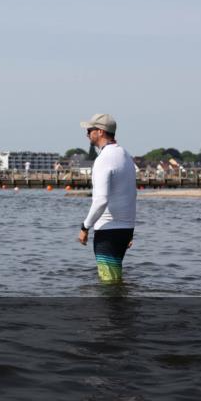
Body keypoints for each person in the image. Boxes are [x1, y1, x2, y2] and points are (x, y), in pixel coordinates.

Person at [77, 114, 137, 284]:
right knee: (116, 281)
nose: (87, 134)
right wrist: (130, 230)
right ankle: (123, 311)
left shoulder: (104, 159)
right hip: (125, 229)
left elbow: (101, 200)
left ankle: (111, 311)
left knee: (108, 285)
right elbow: (132, 194)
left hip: (108, 231)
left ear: (101, 132)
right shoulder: (125, 155)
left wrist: (85, 226)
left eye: (90, 130)